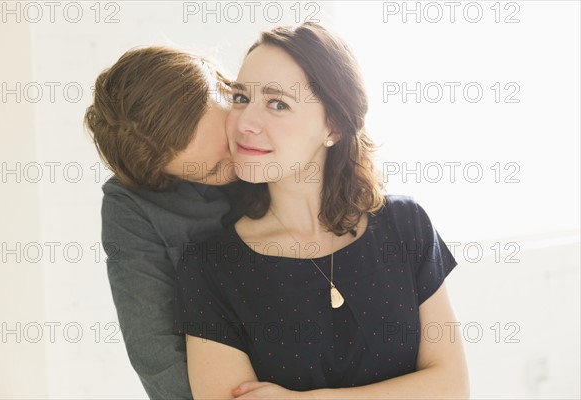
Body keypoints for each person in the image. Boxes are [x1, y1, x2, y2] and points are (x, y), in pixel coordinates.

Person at [175, 22, 469, 399]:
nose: (245, 122)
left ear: (333, 125)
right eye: (241, 97)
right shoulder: (210, 266)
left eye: (277, 103)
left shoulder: (405, 226)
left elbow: (452, 387)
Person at [84, 46, 243, 399]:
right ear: (165, 180)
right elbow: (155, 351)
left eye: (231, 139)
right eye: (213, 171)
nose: (242, 160)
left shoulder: (288, 123)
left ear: (222, 83)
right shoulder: (132, 204)